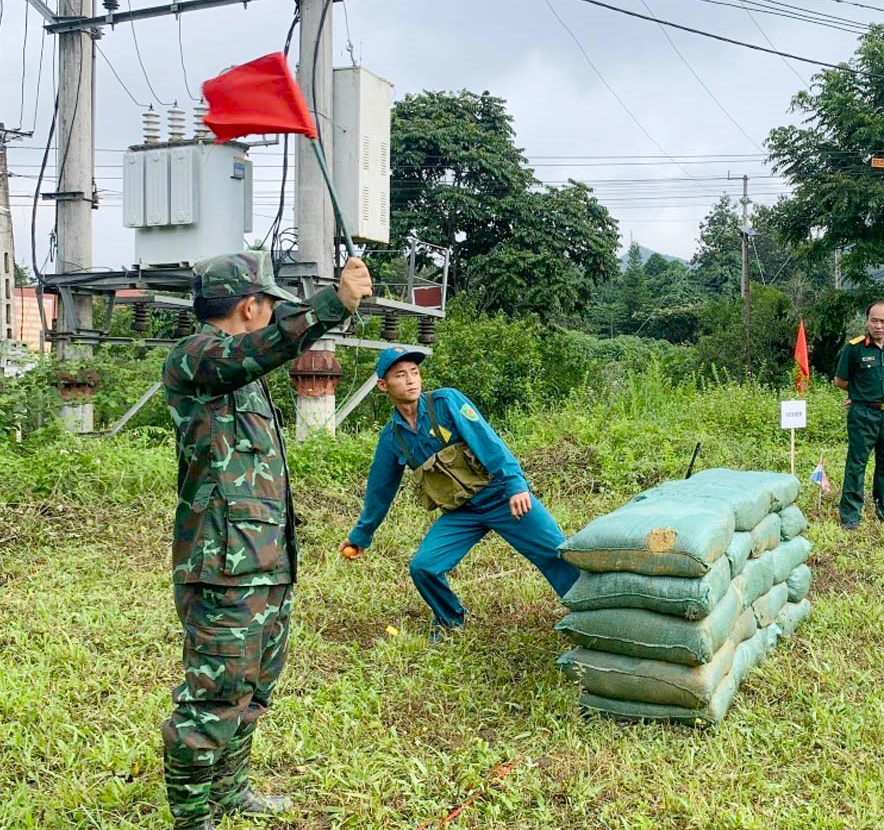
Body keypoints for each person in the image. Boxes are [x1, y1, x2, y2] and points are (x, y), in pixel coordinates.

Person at [160, 251, 373, 830]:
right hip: (221, 564)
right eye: (271, 303)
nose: (274, 313)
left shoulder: (245, 376)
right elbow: (262, 349)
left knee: (252, 690)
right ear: (250, 305)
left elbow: (262, 354)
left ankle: (231, 792)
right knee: (213, 699)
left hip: (267, 562)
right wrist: (335, 303)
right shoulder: (198, 357)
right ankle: (192, 815)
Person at [340, 346, 580, 640]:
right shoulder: (393, 438)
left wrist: (516, 484)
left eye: (414, 372)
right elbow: (380, 491)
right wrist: (361, 535)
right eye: (400, 375)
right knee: (423, 567)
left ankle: (587, 614)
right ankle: (450, 620)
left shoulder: (445, 402)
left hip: (501, 496)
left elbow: (489, 442)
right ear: (383, 385)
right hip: (461, 514)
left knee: (557, 554)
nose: (411, 380)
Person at [833, 300, 884, 531]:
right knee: (857, 463)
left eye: (883, 321)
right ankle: (850, 515)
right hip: (863, 414)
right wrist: (858, 395)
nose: (878, 325)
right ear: (867, 321)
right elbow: (840, 380)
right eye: (874, 320)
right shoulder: (854, 348)